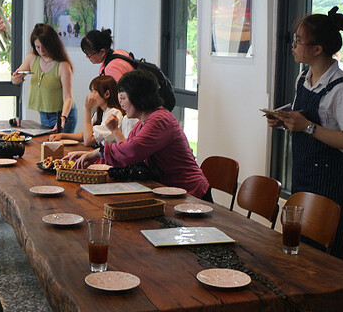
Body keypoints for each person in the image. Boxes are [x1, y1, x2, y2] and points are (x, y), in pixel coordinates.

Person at [267, 6, 343, 262]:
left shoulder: (342, 89)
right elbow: (304, 116)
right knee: (299, 251)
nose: (293, 45)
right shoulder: (303, 79)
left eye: (299, 40)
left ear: (317, 49)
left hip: (331, 183)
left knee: (327, 261)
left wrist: (307, 127)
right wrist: (284, 118)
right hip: (304, 175)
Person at [68, 69, 209, 199]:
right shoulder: (144, 121)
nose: (121, 104)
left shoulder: (159, 119)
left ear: (138, 97)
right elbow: (125, 150)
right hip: (170, 190)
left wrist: (97, 153)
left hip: (191, 193)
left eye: (123, 98)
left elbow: (131, 151)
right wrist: (90, 157)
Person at [12, 23, 77, 133]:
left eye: (44, 47)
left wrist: (63, 117)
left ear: (52, 44)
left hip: (62, 116)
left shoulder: (63, 66)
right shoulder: (32, 59)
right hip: (44, 115)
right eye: (37, 47)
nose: (41, 51)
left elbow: (68, 97)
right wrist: (17, 77)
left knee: (59, 148)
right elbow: (15, 80)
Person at [49, 75, 129, 146]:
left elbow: (88, 141)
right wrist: (62, 135)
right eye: (91, 92)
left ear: (107, 94)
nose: (91, 96)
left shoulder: (114, 113)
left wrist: (87, 110)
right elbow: (87, 134)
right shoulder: (101, 112)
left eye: (94, 92)